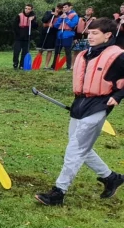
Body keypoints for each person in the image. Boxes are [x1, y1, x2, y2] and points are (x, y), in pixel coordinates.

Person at [35, 18, 124, 205]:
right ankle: (111, 178)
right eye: (89, 33)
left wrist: (117, 96)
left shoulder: (117, 55)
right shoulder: (86, 54)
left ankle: (58, 192)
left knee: (75, 149)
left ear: (108, 35)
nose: (90, 36)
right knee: (81, 147)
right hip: (80, 104)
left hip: (99, 104)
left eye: (95, 33)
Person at [53, 2, 78, 69]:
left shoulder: (74, 15)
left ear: (70, 7)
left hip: (68, 34)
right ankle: (54, 66)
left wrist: (66, 18)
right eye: (63, 7)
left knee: (67, 51)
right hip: (60, 34)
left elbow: (73, 25)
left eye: (66, 7)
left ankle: (68, 67)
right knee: (57, 51)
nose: (64, 8)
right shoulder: (62, 15)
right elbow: (55, 26)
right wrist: (60, 18)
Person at [12, 4, 37, 70]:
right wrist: (18, 34)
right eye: (26, 8)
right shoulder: (19, 15)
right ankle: (15, 63)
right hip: (19, 37)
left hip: (27, 37)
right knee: (16, 51)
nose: (26, 10)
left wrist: (32, 21)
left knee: (25, 52)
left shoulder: (33, 17)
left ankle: (22, 65)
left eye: (28, 9)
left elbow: (35, 26)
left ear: (31, 10)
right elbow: (14, 26)